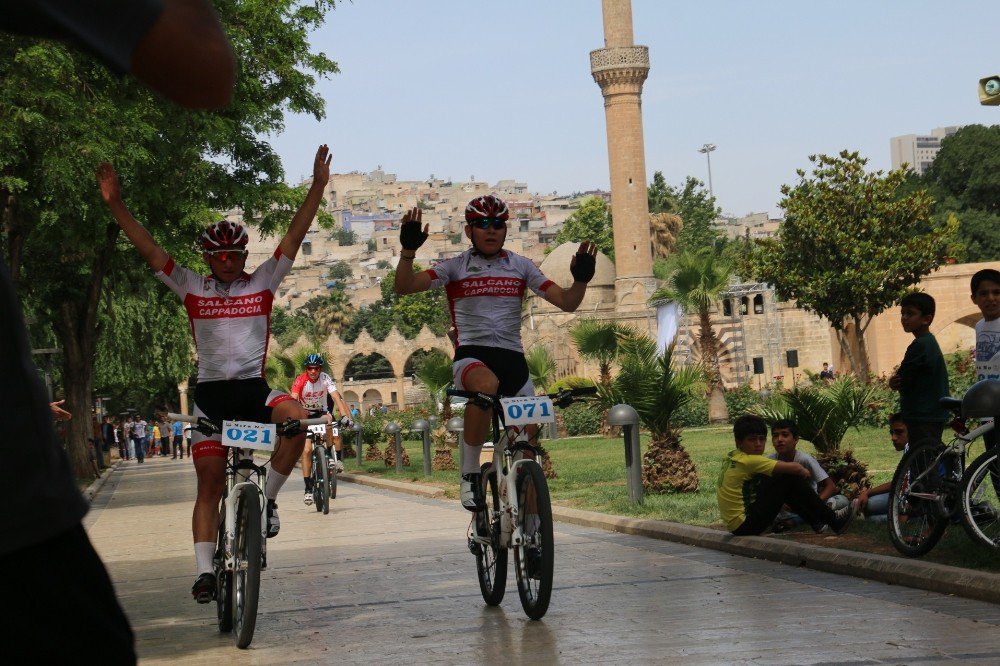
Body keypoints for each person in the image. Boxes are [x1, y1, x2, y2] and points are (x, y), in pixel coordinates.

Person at [97, 144, 331, 604]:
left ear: (245, 255)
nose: (228, 261)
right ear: (207, 258)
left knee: (297, 423)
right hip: (209, 396)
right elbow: (149, 249)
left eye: (235, 254)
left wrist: (318, 187)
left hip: (253, 389)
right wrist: (116, 205)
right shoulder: (189, 285)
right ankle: (205, 571)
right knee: (207, 482)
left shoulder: (263, 281)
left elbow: (294, 235)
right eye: (219, 255)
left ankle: (269, 498)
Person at [393, 195, 598, 512]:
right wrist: (408, 253)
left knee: (527, 447)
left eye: (498, 224)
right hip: (472, 357)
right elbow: (405, 286)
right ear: (468, 231)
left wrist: (581, 280)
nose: (491, 230)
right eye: (482, 224)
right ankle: (470, 474)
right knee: (486, 387)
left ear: (506, 229)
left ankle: (531, 535)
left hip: (513, 362)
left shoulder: (521, 266)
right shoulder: (455, 266)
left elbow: (568, 302)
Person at [717, 415, 856, 536]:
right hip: (746, 525)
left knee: (778, 478)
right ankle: (833, 520)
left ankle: (817, 522)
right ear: (739, 442)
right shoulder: (750, 460)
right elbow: (795, 468)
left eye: (762, 439)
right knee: (788, 477)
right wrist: (804, 472)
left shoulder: (734, 458)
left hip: (738, 525)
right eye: (752, 440)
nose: (758, 444)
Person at [290, 353, 353, 505]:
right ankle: (307, 489)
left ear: (320, 369)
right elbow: (293, 399)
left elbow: (337, 397)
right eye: (310, 368)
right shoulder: (300, 380)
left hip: (321, 412)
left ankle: (330, 456)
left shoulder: (325, 378)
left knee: (328, 423)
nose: (313, 371)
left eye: (316, 368)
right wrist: (292, 419)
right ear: (307, 369)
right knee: (305, 451)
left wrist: (344, 415)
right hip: (305, 415)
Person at [888, 292, 950, 445]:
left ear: (926, 319)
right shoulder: (928, 341)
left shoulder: (921, 344)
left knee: (924, 462)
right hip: (930, 412)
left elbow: (903, 379)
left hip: (923, 414)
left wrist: (894, 383)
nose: (904, 317)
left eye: (911, 313)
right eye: (903, 313)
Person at [766, 419, 849, 531]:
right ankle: (807, 518)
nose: (779, 439)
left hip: (811, 505)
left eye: (785, 435)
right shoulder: (770, 461)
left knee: (842, 500)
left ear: (796, 439)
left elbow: (830, 487)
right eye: (775, 436)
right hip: (785, 511)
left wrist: (816, 505)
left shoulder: (804, 460)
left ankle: (797, 521)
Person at [858, 415, 909, 522]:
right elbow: (898, 482)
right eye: (892, 433)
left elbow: (905, 485)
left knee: (870, 509)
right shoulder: (908, 449)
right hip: (902, 496)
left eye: (899, 432)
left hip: (913, 502)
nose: (893, 438)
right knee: (869, 508)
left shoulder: (912, 449)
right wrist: (868, 492)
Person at [971, 269, 1000, 451]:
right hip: (989, 406)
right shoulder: (979, 326)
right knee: (994, 464)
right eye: (983, 293)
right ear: (974, 298)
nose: (991, 298)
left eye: (997, 292)